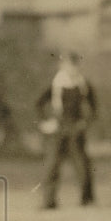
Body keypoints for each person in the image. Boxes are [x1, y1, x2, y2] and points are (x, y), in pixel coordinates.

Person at [37, 51, 96, 208]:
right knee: (51, 166)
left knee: (82, 166)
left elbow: (93, 106)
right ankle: (49, 202)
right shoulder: (56, 83)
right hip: (58, 130)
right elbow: (39, 103)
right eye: (68, 65)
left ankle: (87, 200)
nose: (72, 68)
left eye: (74, 65)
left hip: (75, 130)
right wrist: (46, 122)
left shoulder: (83, 84)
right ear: (62, 66)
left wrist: (85, 123)